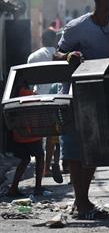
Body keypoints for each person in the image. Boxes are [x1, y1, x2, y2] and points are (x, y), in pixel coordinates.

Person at [53, 0, 109, 220]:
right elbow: (57, 53)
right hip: (74, 94)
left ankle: (81, 202)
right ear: (104, 0)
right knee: (74, 149)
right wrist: (69, 55)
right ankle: (82, 203)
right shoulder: (77, 27)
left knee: (94, 148)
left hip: (100, 95)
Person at [27, 28, 63, 184]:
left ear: (41, 40)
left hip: (37, 99)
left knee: (39, 136)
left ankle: (44, 168)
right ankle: (50, 165)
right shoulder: (60, 56)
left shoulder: (33, 56)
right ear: (55, 40)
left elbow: (29, 82)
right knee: (55, 134)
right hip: (57, 99)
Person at [7, 87, 46, 197]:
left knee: (25, 159)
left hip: (19, 134)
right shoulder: (28, 94)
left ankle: (13, 188)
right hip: (31, 134)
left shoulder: (14, 94)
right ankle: (38, 187)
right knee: (40, 157)